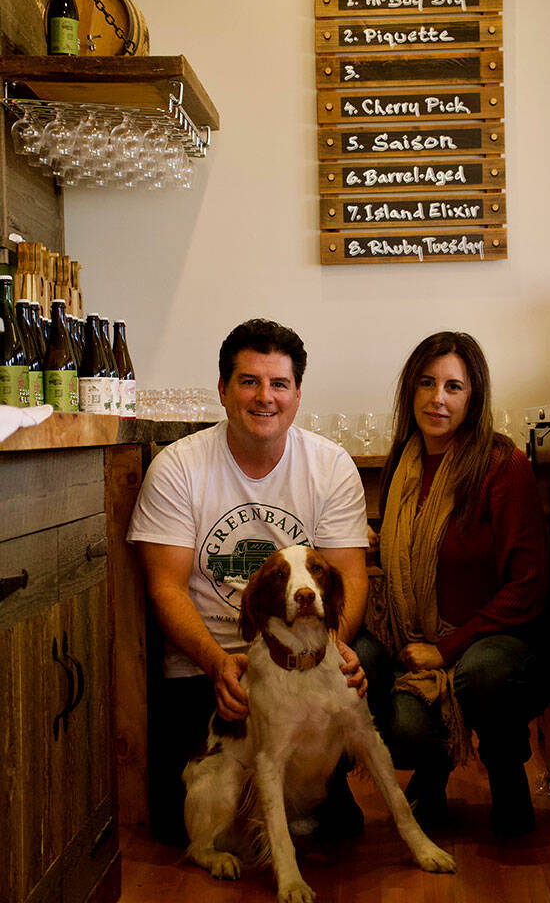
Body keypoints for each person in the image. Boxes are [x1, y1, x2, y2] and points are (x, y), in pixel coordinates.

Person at [127, 318, 369, 843]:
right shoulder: (177, 468)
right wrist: (218, 664)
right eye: (249, 381)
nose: (265, 397)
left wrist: (332, 650)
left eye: (279, 383)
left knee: (337, 833)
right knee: (182, 829)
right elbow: (165, 587)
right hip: (206, 667)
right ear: (223, 389)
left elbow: (350, 575)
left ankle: (314, 788)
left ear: (298, 393)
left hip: (301, 662)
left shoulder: (330, 466)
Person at [354, 331, 548, 837]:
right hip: (417, 642)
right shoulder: (403, 462)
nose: (437, 398)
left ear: (474, 397)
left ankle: (509, 778)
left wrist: (447, 649)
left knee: (482, 674)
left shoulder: (503, 465)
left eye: (454, 387)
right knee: (396, 728)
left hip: (495, 644)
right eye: (426, 382)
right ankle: (432, 771)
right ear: (410, 391)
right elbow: (409, 551)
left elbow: (527, 586)